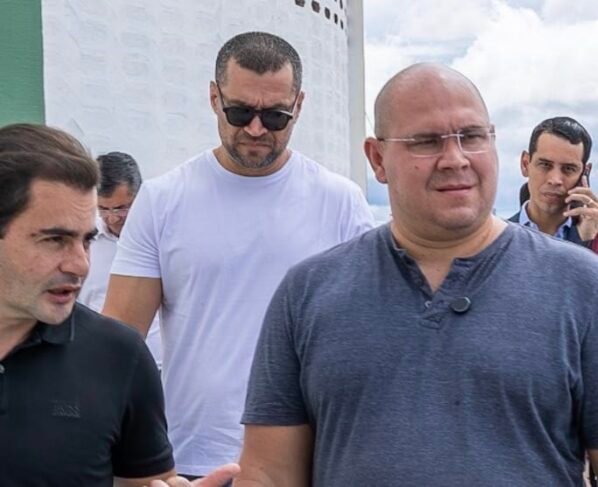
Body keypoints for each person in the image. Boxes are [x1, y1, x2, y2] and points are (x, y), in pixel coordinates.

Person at [236, 64, 598, 486]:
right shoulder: (306, 294)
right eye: (426, 142)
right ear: (377, 159)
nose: (456, 159)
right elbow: (269, 473)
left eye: (472, 137)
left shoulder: (582, 286)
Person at [102, 31, 374, 478]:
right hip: (191, 460)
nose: (256, 128)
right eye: (240, 111)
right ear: (214, 97)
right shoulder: (163, 199)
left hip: (306, 463)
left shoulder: (341, 202)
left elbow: (365, 341)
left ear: (299, 105)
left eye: (276, 116)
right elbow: (118, 342)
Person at [0, 123, 238, 486]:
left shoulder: (119, 357)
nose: (80, 264)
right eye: (54, 239)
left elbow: (147, 483)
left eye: (86, 240)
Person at [78, 151, 162, 367]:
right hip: (98, 362)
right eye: (103, 209)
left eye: (122, 208)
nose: (113, 218)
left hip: (157, 364)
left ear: (140, 196)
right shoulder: (82, 242)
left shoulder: (163, 237)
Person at [510, 116, 598, 250]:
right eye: (545, 165)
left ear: (585, 173)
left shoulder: (593, 240)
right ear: (525, 164)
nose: (555, 180)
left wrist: (589, 242)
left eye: (568, 169)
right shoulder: (494, 240)